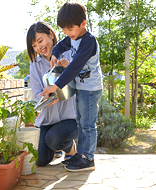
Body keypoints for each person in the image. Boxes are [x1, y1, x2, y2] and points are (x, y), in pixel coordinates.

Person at [41, 2, 103, 172]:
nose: (67, 34)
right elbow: (61, 45)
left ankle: (88, 158)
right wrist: (54, 54)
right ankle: (81, 154)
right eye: (64, 30)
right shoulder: (73, 37)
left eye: (70, 29)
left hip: (90, 89)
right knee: (81, 122)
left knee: (87, 124)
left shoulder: (88, 42)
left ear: (83, 24)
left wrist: (55, 86)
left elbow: (74, 67)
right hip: (81, 87)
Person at [26, 21, 78, 167]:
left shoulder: (69, 53)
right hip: (49, 120)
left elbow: (82, 83)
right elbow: (36, 93)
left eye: (40, 41)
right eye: (34, 45)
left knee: (54, 139)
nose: (39, 47)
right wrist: (45, 97)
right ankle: (57, 146)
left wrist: (69, 69)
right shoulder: (35, 63)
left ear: (51, 34)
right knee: (41, 160)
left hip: (71, 118)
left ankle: (69, 148)